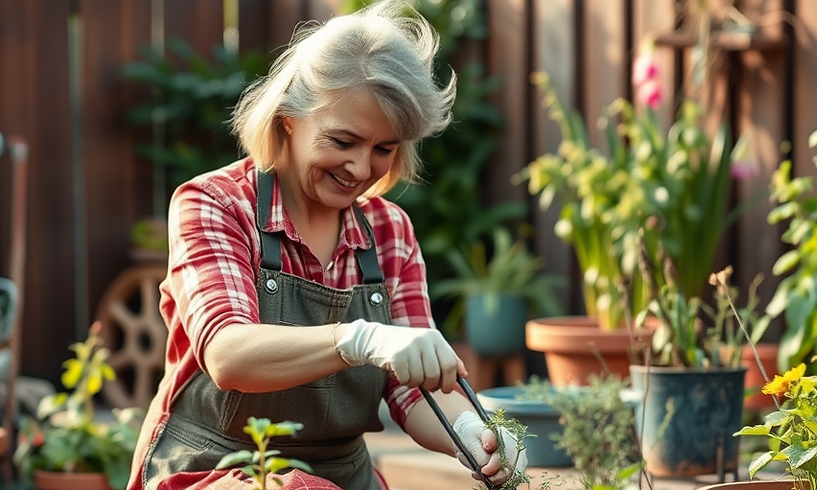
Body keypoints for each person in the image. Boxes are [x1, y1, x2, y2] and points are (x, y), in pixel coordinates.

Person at [125, 1, 527, 489]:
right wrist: (358, 339)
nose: (361, 168)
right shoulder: (216, 205)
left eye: (384, 149)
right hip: (219, 467)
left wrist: (471, 433)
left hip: (341, 474)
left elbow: (414, 390)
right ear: (290, 116)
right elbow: (229, 355)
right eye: (342, 141)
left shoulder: (389, 232)